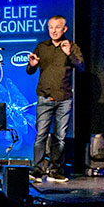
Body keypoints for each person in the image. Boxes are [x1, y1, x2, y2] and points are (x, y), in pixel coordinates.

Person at [24, 15, 83, 181]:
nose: (54, 31)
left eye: (57, 27)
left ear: (64, 29)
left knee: (60, 137)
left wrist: (69, 54)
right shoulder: (42, 47)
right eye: (51, 27)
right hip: (45, 96)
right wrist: (32, 65)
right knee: (41, 134)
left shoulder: (71, 46)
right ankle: (37, 169)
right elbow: (30, 70)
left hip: (64, 98)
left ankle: (55, 170)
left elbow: (81, 66)